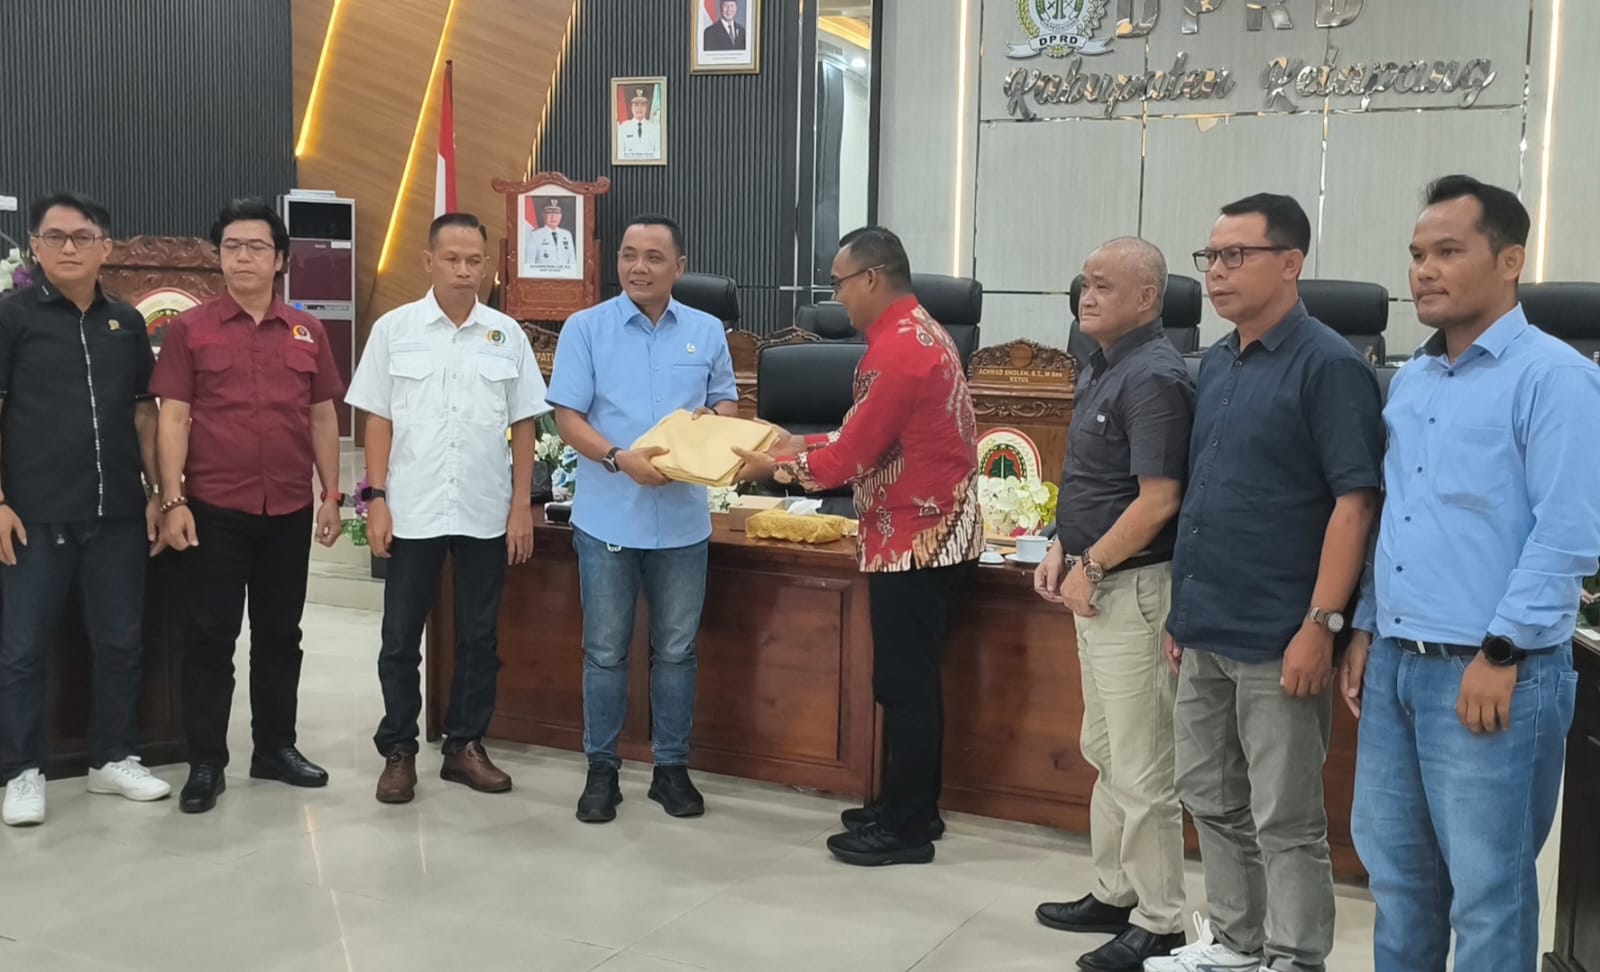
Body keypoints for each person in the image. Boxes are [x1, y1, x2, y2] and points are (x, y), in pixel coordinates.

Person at [1343, 176, 1600, 972]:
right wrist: (1366, 627)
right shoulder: (1413, 379)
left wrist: (1503, 650)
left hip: (1494, 672)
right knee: (1399, 885)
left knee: (1488, 897)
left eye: (1448, 251)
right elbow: (1399, 516)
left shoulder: (1554, 376)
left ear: (1510, 260)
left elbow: (1570, 532)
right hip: (1396, 664)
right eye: (1417, 254)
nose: (1424, 270)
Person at [1149, 194, 1383, 972]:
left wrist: (1323, 624)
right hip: (1206, 621)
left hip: (1281, 632)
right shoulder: (1217, 361)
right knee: (1209, 795)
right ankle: (1236, 943)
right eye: (1210, 257)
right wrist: (1182, 610)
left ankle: (1296, 956)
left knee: (1285, 816)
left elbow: (1355, 504)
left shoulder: (1330, 366)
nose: (1216, 272)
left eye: (1235, 256)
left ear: (1290, 263)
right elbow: (1208, 495)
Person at [733, 226, 982, 867]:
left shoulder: (896, 351)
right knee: (909, 682)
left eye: (839, 283)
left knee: (905, 686)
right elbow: (865, 435)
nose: (836, 297)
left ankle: (907, 828)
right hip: (934, 533)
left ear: (871, 277)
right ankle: (910, 806)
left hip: (916, 540)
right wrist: (796, 444)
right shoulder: (919, 332)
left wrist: (774, 467)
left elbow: (851, 457)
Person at [345, 212, 549, 805]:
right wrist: (375, 499)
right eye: (452, 259)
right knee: (399, 637)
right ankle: (399, 750)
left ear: (487, 266)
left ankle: (464, 745)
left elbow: (524, 424)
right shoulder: (394, 329)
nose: (464, 270)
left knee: (480, 637)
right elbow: (377, 420)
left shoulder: (506, 334)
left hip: (485, 509)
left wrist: (520, 506)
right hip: (412, 509)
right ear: (428, 261)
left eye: (474, 261)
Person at [151, 198, 345, 815]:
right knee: (210, 636)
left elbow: (322, 416)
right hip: (214, 507)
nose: (242, 257)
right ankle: (206, 760)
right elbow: (173, 417)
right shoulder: (191, 329)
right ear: (218, 257)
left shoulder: (307, 331)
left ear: (280, 259)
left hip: (287, 506)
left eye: (256, 247)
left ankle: (275, 749)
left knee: (281, 636)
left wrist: (332, 494)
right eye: (231, 247)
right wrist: (172, 498)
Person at [1031, 238, 1194, 970]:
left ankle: (1161, 921)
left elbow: (1160, 499)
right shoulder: (1101, 365)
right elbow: (1095, 482)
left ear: (1147, 299)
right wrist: (1062, 544)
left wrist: (1092, 564)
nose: (1086, 297)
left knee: (1143, 767)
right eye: (1083, 284)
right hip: (1094, 581)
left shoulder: (1154, 375)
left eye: (1103, 286)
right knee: (1104, 751)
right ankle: (1115, 890)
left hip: (1132, 591)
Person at [546, 213, 737, 823]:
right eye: (629, 255)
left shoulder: (706, 330)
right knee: (604, 652)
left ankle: (670, 770)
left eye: (654, 257)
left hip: (682, 523)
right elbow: (567, 417)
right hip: (609, 517)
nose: (638, 267)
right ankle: (601, 770)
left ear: (679, 267)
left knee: (676, 651)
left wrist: (713, 425)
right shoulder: (585, 329)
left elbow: (725, 402)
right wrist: (617, 458)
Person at [0, 193, 170, 826]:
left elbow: (144, 415)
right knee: (24, 648)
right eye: (55, 236)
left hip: (117, 512)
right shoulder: (11, 317)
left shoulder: (125, 322)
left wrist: (159, 493)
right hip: (34, 515)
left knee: (120, 641)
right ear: (34, 247)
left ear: (106, 247)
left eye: (82, 236)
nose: (68, 247)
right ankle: (22, 769)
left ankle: (113, 757)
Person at [526, 199, 576, 272]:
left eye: (556, 213)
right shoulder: (534, 235)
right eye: (549, 213)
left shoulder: (567, 234)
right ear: (543, 215)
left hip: (564, 276)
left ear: (561, 216)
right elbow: (529, 264)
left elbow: (572, 263)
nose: (553, 217)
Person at [617, 89, 662, 161]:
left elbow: (658, 155)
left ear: (647, 107)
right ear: (631, 107)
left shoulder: (656, 128)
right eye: (636, 104)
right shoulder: (623, 127)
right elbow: (620, 155)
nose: (639, 108)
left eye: (643, 105)